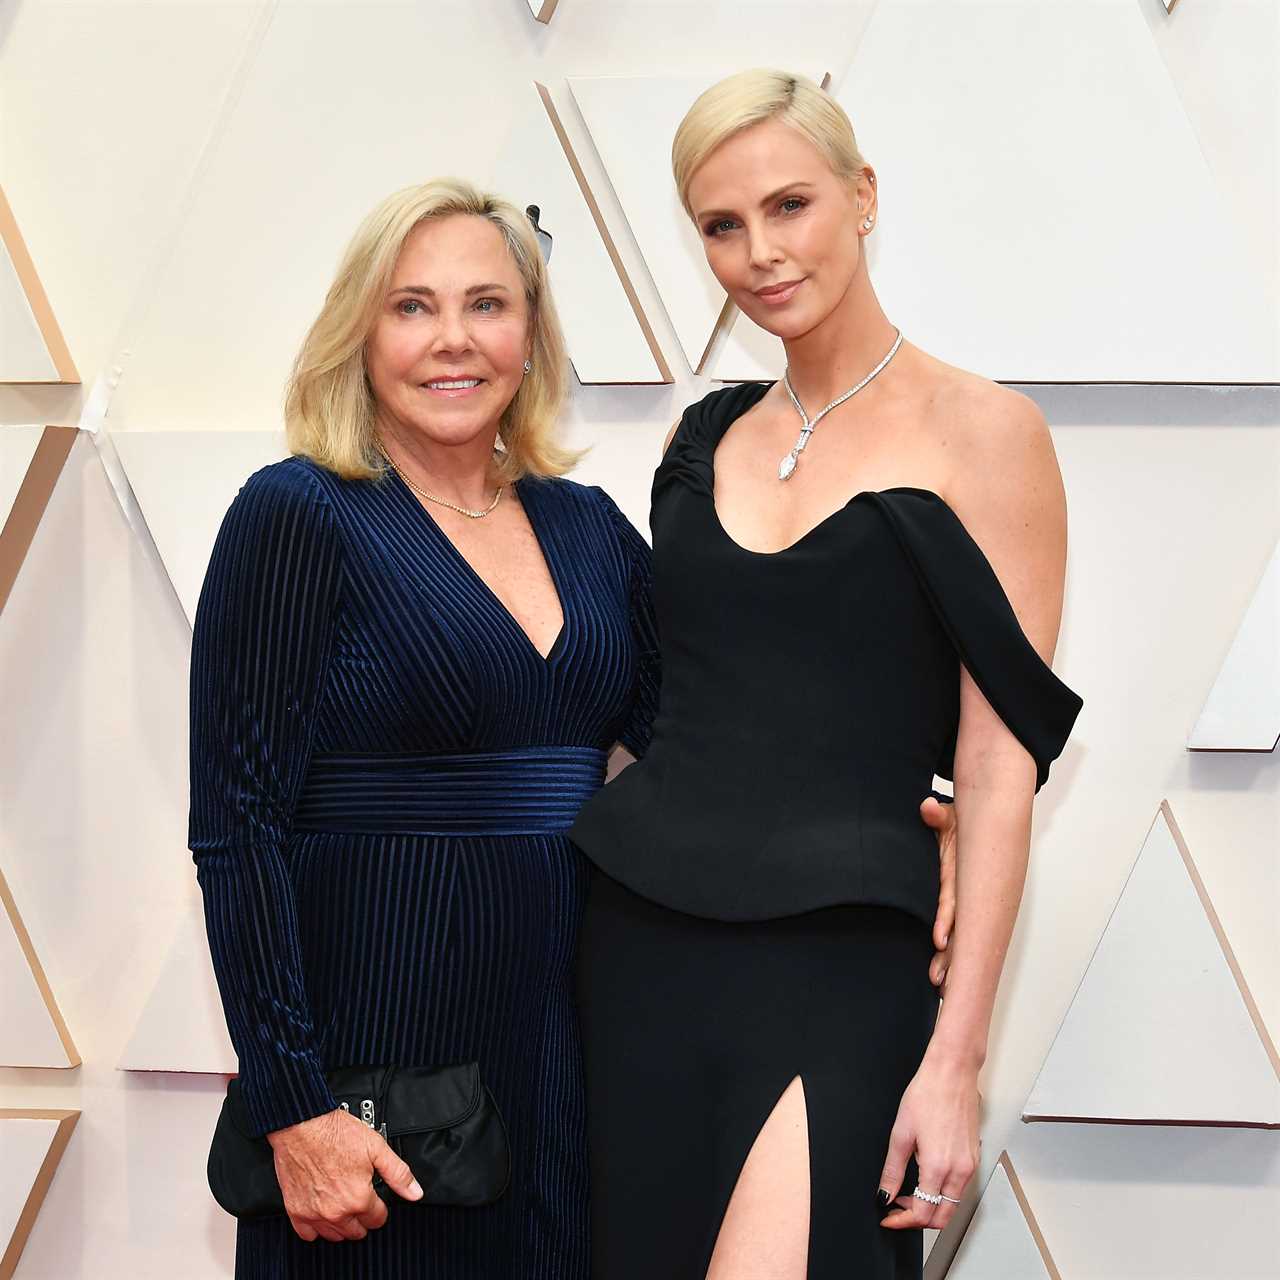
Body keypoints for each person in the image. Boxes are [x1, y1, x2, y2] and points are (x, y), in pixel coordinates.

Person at [568, 69, 1084, 1280]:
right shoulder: (700, 439)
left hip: (846, 958)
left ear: (861, 197)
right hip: (639, 940)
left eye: (788, 205)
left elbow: (995, 767)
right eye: (720, 224)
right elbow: (673, 700)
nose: (758, 251)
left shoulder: (987, 433)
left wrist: (954, 1061)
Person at [188, 178, 662, 1279]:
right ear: (360, 333)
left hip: (564, 1060)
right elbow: (237, 828)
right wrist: (294, 1106)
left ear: (530, 335)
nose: (453, 339)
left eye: (486, 304)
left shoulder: (588, 525)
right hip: (372, 1081)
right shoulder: (298, 513)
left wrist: (906, 806)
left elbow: (707, 741)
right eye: (412, 306)